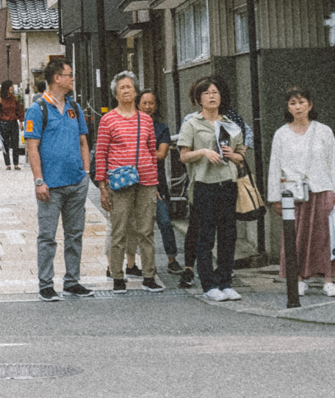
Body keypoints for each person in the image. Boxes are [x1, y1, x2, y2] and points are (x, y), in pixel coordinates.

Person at [268, 85, 335, 298]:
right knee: (295, 237)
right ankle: (298, 279)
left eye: (302, 102)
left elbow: (334, 162)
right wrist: (275, 197)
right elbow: (275, 166)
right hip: (292, 192)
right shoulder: (281, 134)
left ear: (310, 105)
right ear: (288, 107)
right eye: (293, 103)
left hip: (322, 188)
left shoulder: (324, 131)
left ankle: (328, 280)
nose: (298, 106)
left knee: (326, 237)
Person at [24, 57, 92, 301]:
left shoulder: (74, 107)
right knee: (47, 236)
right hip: (51, 186)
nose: (72, 78)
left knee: (75, 234)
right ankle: (45, 284)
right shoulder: (38, 108)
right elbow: (32, 147)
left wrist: (85, 172)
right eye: (69, 74)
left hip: (76, 182)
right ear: (56, 78)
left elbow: (83, 140)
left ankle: (72, 281)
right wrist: (39, 180)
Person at [94, 73, 165, 292]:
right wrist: (102, 186)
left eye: (130, 87)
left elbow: (152, 152)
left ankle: (149, 275)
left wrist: (155, 182)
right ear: (115, 93)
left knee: (146, 230)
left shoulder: (146, 120)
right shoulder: (108, 120)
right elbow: (101, 154)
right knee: (119, 229)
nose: (127, 90)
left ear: (135, 91)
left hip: (146, 181)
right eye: (122, 87)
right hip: (119, 182)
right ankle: (117, 276)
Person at [178, 75, 244, 301]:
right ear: (199, 99)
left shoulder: (230, 124)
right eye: (206, 93)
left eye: (215, 92)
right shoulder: (192, 124)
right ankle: (208, 284)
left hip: (228, 184)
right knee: (205, 236)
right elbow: (183, 155)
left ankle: (225, 281)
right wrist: (204, 152)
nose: (211, 96)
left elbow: (241, 155)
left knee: (228, 235)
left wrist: (233, 155)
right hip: (204, 185)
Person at [138, 89, 182, 275]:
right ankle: (145, 264)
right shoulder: (132, 125)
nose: (148, 107)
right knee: (141, 226)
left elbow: (162, 155)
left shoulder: (161, 128)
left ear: (156, 106)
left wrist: (136, 153)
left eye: (151, 103)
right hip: (136, 182)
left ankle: (172, 259)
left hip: (158, 181)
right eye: (144, 103)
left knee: (164, 221)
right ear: (137, 104)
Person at [0, 82, 23, 169]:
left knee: (15, 143)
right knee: (5, 144)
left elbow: (20, 110)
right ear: (6, 88)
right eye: (11, 86)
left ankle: (16, 163)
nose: (13, 88)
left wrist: (21, 122)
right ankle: (7, 164)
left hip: (14, 122)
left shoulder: (15, 98)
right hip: (4, 123)